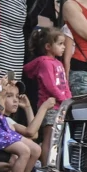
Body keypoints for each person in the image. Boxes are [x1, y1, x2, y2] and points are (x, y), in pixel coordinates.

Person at [23, 26, 72, 157]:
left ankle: (55, 164)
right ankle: (46, 167)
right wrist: (64, 99)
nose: (64, 47)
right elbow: (50, 86)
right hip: (49, 106)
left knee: (59, 136)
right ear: (48, 47)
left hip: (61, 105)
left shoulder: (58, 63)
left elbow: (64, 84)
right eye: (60, 44)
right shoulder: (45, 63)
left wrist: (70, 100)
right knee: (49, 136)